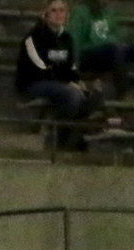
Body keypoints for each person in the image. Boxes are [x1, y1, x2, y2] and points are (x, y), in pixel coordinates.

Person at [16, 0, 101, 151]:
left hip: (58, 83)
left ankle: (73, 139)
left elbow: (70, 66)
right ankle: (58, 141)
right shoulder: (34, 36)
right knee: (72, 95)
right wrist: (67, 82)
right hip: (33, 83)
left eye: (62, 10)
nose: (58, 14)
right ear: (45, 14)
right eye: (54, 11)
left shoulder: (67, 38)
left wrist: (77, 81)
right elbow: (40, 66)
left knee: (93, 96)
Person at [69, 0, 134, 98]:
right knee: (115, 49)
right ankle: (124, 94)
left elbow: (115, 34)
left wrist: (122, 43)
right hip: (87, 55)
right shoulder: (80, 12)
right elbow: (74, 41)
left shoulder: (107, 12)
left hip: (109, 52)